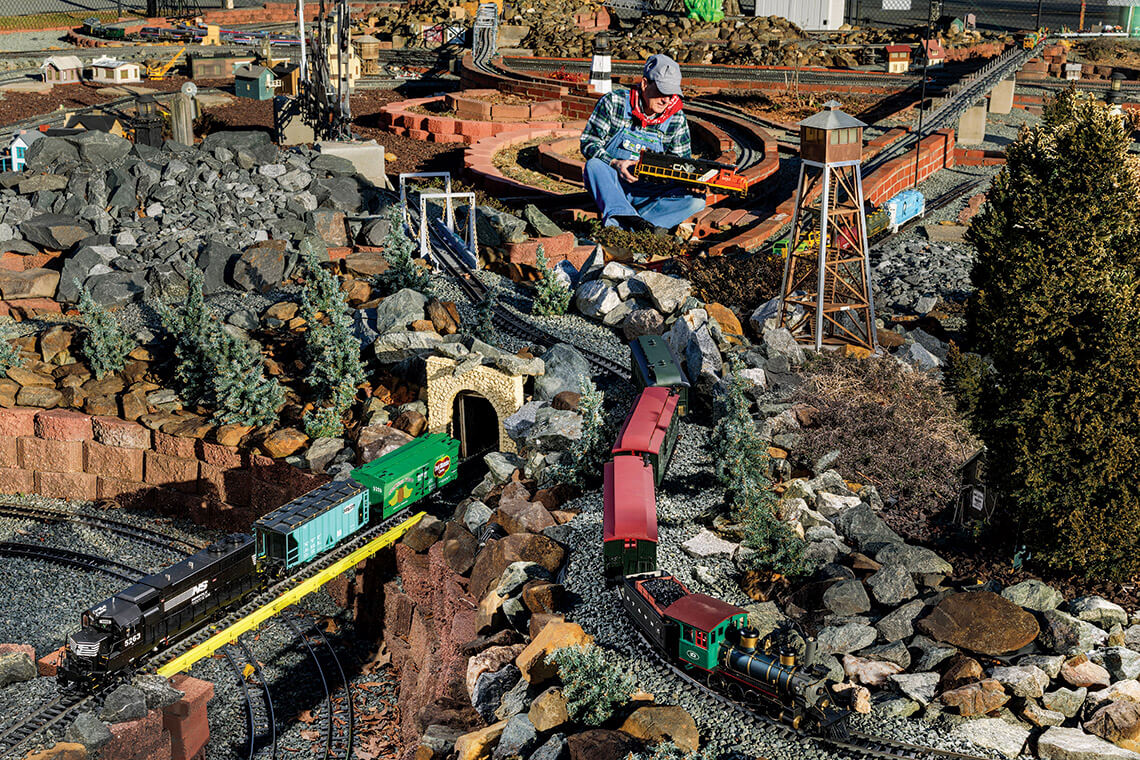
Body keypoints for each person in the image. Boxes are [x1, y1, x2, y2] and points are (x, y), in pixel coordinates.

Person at [580, 54, 706, 233]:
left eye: (671, 95)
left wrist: (690, 181)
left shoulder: (676, 119)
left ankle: (633, 226)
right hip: (613, 184)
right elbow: (589, 143)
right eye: (662, 92)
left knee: (696, 200)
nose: (667, 100)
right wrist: (614, 163)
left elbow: (682, 165)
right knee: (593, 166)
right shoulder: (613, 102)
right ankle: (633, 222)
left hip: (649, 192)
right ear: (645, 84)